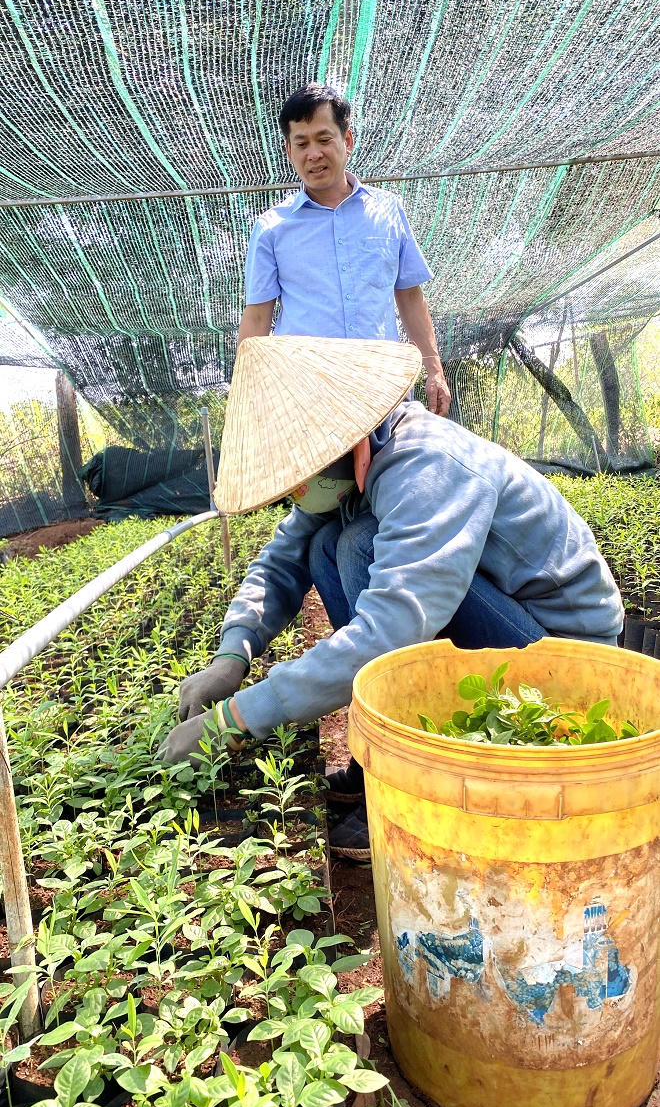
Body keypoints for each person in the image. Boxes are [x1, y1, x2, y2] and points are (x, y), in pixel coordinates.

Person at [159, 335, 624, 860]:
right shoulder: (347, 469)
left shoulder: (427, 465)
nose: (299, 494)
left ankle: (410, 785)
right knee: (324, 545)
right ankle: (379, 762)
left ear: (352, 442)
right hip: (505, 625)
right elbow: (278, 563)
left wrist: (237, 718)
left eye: (303, 479)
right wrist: (232, 656)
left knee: (357, 544)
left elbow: (392, 629)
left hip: (564, 656)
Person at [236, 82, 451, 417]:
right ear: (289, 151)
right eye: (301, 143)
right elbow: (258, 317)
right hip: (307, 399)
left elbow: (410, 295)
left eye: (324, 139)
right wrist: (245, 399)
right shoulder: (272, 228)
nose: (313, 154)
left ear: (347, 140)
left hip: (384, 391)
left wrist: (434, 369)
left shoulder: (387, 211)